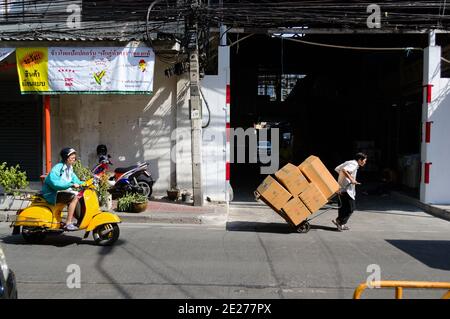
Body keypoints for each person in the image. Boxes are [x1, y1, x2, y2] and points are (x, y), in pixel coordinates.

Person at [42, 147, 83, 231]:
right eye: (72, 158)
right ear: (66, 158)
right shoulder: (57, 168)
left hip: (61, 192)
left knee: (81, 196)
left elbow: (76, 180)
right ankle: (68, 223)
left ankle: (79, 220)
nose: (74, 159)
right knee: (73, 197)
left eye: (74, 157)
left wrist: (86, 183)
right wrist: (70, 184)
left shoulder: (69, 168)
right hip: (52, 194)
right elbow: (55, 183)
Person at [332, 152, 367, 231]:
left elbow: (337, 169)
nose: (365, 163)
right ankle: (339, 221)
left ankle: (342, 225)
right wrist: (351, 179)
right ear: (360, 160)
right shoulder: (354, 164)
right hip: (347, 189)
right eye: (364, 161)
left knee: (343, 208)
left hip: (341, 188)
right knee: (351, 208)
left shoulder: (349, 162)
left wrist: (345, 178)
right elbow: (344, 170)